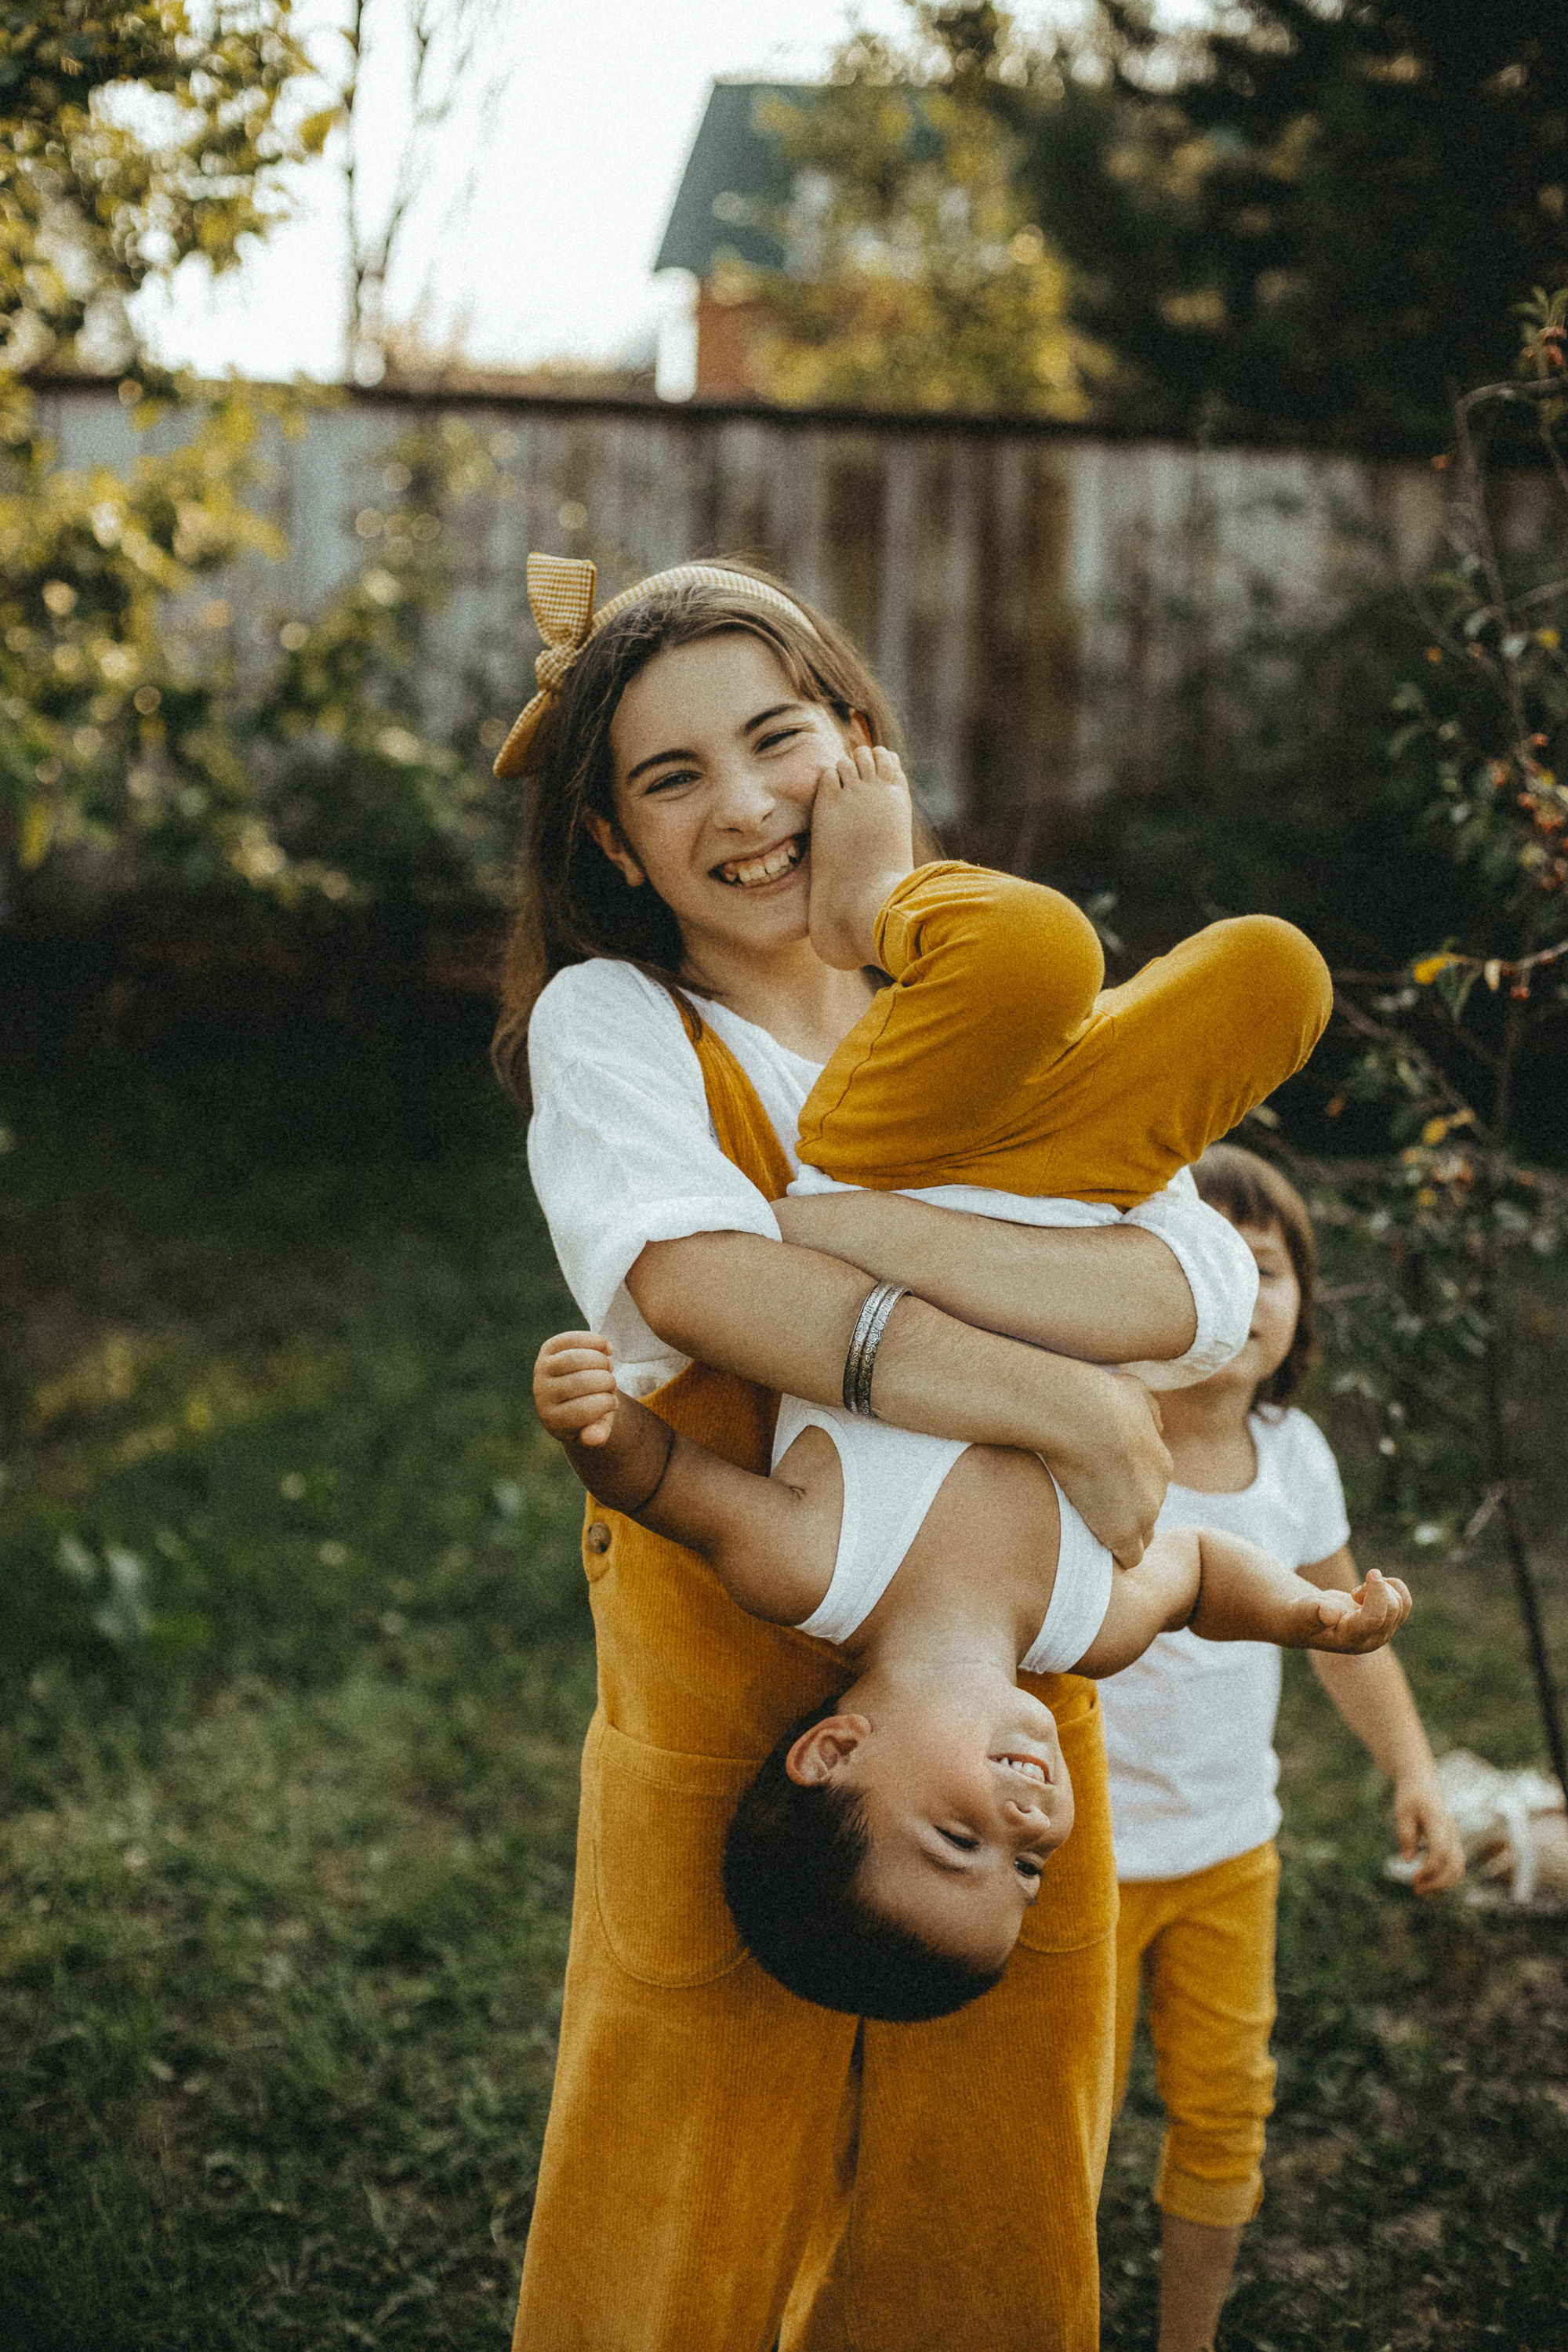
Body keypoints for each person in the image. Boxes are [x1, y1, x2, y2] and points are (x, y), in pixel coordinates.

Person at [491, 547, 1323, 2352]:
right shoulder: (619, 1025)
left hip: (1005, 1736)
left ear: (857, 743)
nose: (743, 807)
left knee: (993, 2196)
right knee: (682, 2199)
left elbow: (1193, 1289)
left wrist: (849, 1235)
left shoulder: (972, 1004)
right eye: (671, 777)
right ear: (613, 844)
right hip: (719, 1726)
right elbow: (698, 1280)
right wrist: (1055, 1393)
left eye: (775, 739)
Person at [531, 754, 1403, 2023]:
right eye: (1028, 1867)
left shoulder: (815, 1569)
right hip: (1070, 1196)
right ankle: (932, 931)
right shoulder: (1089, 1626)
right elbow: (1205, 1575)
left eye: (960, 1839)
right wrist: (1306, 1614)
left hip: (887, 1162)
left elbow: (667, 1482)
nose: (1026, 1825)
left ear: (835, 1750)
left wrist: (595, 1429)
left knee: (1033, 950)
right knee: (1278, 977)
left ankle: (873, 899)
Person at [1098, 1143, 1466, 2352]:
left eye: (1263, 1268)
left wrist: (1413, 1769)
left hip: (1228, 1857)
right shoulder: (1096, 1438)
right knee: (1065, 2129)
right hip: (1081, 1864)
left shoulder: (1295, 1456)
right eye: (1198, 1263)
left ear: (1303, 1301)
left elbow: (1345, 1641)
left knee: (1225, 2113)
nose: (1238, 1294)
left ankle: (1188, 2339)